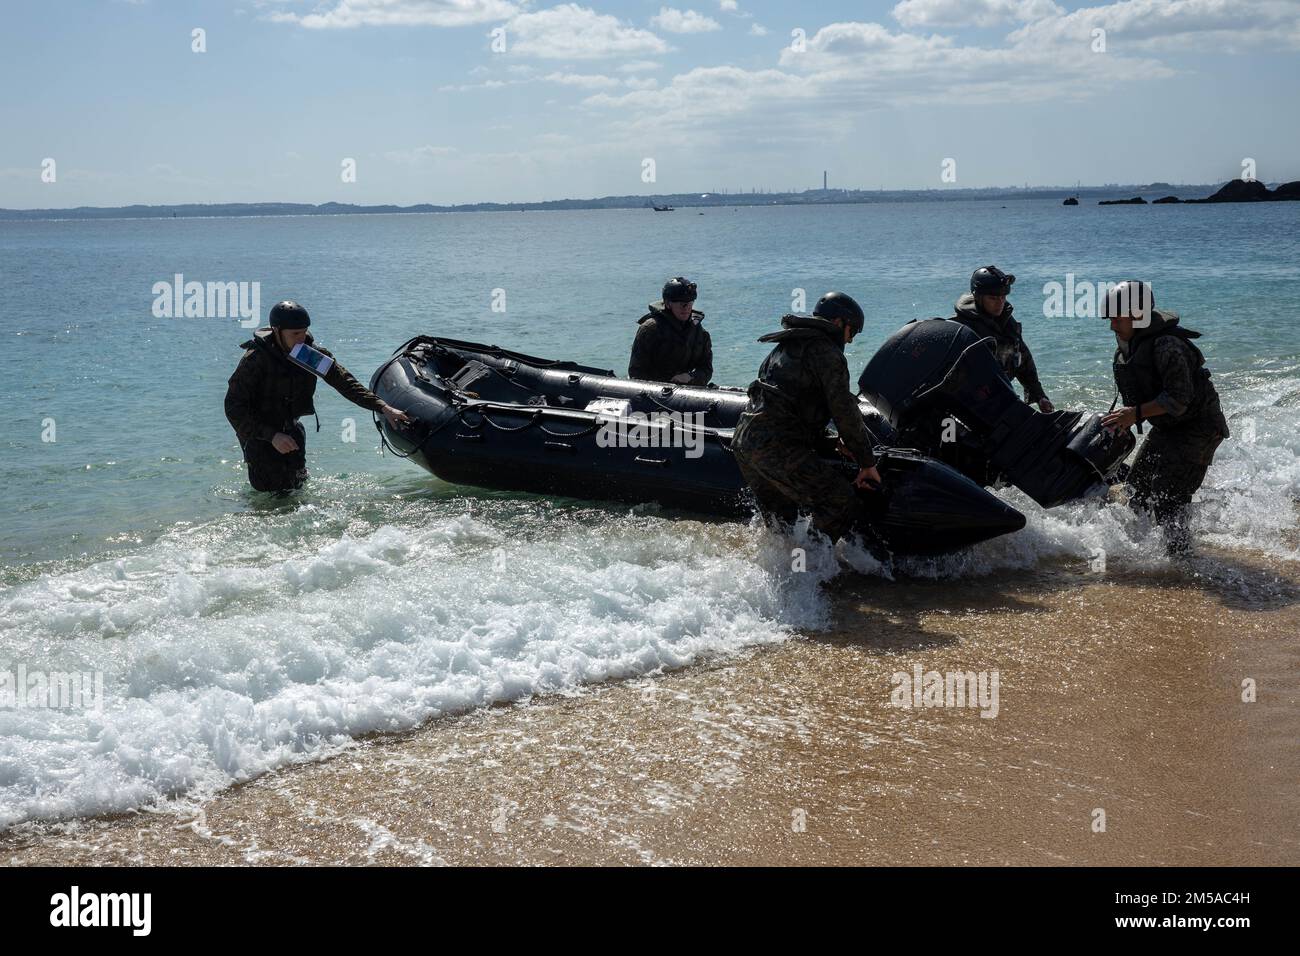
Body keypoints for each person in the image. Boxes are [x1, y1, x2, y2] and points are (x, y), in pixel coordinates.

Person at [731, 292, 883, 542]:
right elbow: (843, 409)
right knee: (839, 502)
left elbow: (790, 405)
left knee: (782, 524)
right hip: (776, 447)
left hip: (745, 442)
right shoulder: (828, 354)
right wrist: (867, 463)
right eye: (852, 331)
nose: (851, 340)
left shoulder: (786, 346)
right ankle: (815, 569)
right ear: (838, 323)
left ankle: (786, 572)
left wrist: (829, 441)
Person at [224, 300, 411, 493]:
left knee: (297, 489)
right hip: (259, 437)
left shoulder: (306, 354)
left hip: (292, 431)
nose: (301, 338)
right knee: (271, 498)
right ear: (277, 331)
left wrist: (383, 407)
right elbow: (233, 408)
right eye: (295, 334)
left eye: (304, 331)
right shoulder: (255, 360)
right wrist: (272, 436)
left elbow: (344, 382)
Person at [1100, 281, 1229, 553]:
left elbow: (1179, 399)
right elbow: (1138, 399)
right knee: (1137, 490)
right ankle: (1144, 552)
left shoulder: (1167, 345)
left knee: (1170, 496)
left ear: (1138, 315)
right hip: (1169, 427)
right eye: (1110, 319)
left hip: (1200, 427)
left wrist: (1134, 414)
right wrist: (1122, 421)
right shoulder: (1129, 348)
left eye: (1116, 319)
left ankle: (1181, 563)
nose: (1112, 326)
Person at [951, 266, 1054, 413]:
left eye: (1003, 297)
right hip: (973, 405)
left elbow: (1023, 360)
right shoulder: (963, 329)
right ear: (978, 297)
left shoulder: (1006, 323)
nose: (1000, 302)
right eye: (993, 298)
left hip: (1000, 397)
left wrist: (1039, 396)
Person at [628, 276, 713, 385]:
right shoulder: (650, 329)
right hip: (655, 391)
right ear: (668, 304)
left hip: (685, 389)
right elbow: (636, 372)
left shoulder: (700, 333)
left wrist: (690, 377)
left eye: (690, 303)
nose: (686, 307)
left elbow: (706, 369)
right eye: (681, 304)